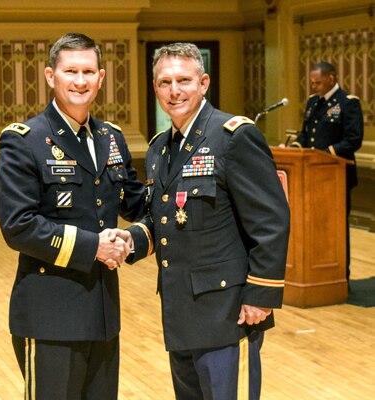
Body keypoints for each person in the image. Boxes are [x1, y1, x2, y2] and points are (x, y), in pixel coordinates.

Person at [122, 42, 290, 399]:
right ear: (155, 88)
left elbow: (271, 220)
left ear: (204, 83)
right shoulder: (159, 148)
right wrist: (131, 240)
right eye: (165, 82)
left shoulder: (232, 136)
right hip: (180, 307)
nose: (174, 90)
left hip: (225, 312)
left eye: (184, 80)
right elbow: (164, 217)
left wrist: (261, 295)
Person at [0, 33, 145, 400]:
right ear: (50, 76)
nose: (80, 81)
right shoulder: (25, 140)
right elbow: (19, 225)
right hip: (50, 314)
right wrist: (95, 246)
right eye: (71, 71)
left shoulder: (111, 138)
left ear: (101, 78)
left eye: (89, 71)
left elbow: (139, 203)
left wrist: (136, 236)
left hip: (103, 313)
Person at [290, 61, 364, 280]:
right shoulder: (314, 102)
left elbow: (353, 140)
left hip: (335, 176)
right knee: (312, 227)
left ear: (331, 78)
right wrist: (296, 147)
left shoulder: (347, 102)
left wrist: (322, 155)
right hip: (310, 175)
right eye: (312, 82)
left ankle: (341, 277)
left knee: (336, 229)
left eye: (318, 82)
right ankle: (316, 274)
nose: (314, 87)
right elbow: (306, 134)